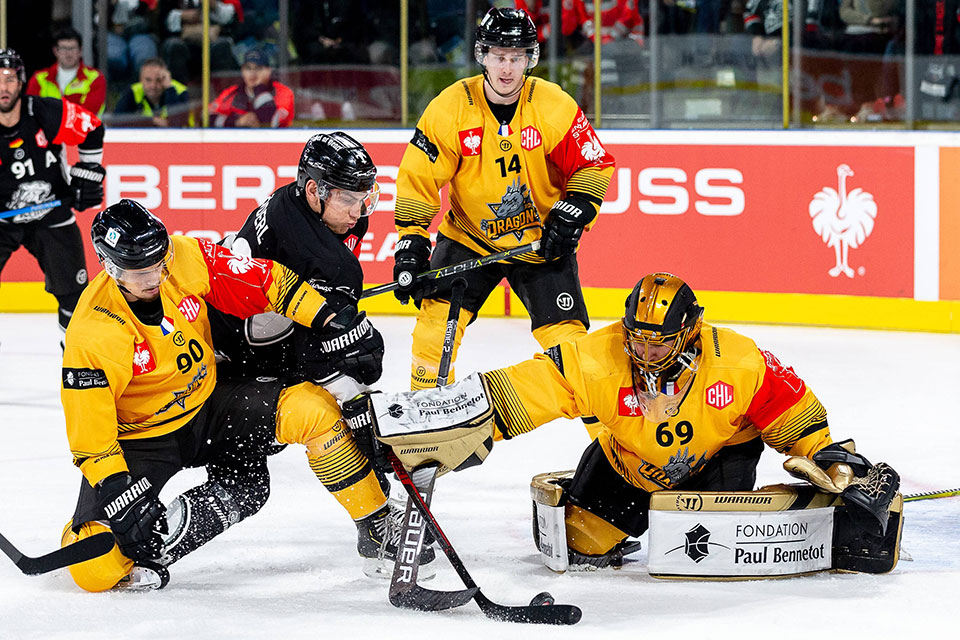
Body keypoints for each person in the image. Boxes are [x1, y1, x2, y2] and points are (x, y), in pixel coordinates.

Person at [353, 272, 902, 572]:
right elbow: (518, 393)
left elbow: (798, 419)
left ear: (688, 331)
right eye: (638, 335)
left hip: (715, 470)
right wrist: (432, 427)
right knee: (580, 545)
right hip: (627, 466)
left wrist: (840, 467)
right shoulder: (597, 357)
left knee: (715, 560)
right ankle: (590, 504)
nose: (646, 348)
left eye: (660, 338)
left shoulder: (738, 359)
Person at [59, 199, 421, 592]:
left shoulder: (182, 255)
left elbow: (266, 283)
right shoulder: (92, 333)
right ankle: (155, 536)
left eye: (158, 262)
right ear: (109, 267)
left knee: (310, 410)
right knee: (94, 568)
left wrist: (330, 319)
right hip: (143, 439)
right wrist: (119, 491)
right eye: (140, 271)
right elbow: (90, 439)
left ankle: (376, 524)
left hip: (210, 405)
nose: (155, 276)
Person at [392, 8, 615, 441]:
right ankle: (423, 433)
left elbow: (592, 164)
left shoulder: (553, 104)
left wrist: (577, 207)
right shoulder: (450, 108)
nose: (507, 67)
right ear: (482, 55)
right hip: (469, 239)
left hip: (540, 243)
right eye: (498, 55)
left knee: (571, 348)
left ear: (530, 58)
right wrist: (411, 243)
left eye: (517, 56)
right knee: (435, 328)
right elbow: (418, 178)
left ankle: (610, 452)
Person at [210, 131, 381, 386]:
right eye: (347, 199)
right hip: (230, 338)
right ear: (314, 190)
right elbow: (312, 347)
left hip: (217, 306)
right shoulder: (313, 251)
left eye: (362, 198)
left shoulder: (294, 198)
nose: (357, 212)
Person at [0, 49, 105, 343]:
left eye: (9, 79)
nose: (3, 88)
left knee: (75, 297)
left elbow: (92, 128)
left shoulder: (45, 112)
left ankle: (75, 358)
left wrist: (88, 170)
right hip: (2, 220)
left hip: (52, 215)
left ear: (21, 82)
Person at [26, 26, 106, 116]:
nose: (68, 53)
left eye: (72, 48)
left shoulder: (94, 78)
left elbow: (88, 114)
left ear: (80, 51)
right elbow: (32, 112)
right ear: (56, 51)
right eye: (64, 48)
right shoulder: (39, 79)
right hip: (47, 130)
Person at [209, 48, 294, 128]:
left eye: (258, 68)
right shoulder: (233, 92)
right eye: (248, 68)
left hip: (276, 141)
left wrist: (259, 87)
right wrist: (238, 121)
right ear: (242, 71)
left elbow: (271, 121)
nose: (253, 73)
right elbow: (207, 116)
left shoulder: (283, 92)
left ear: (268, 71)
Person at [114, 57, 193, 127]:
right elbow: (116, 121)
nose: (153, 86)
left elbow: (177, 125)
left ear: (166, 79)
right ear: (141, 80)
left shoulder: (180, 91)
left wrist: (169, 89)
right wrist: (153, 120)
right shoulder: (133, 91)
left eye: (159, 80)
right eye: (148, 80)